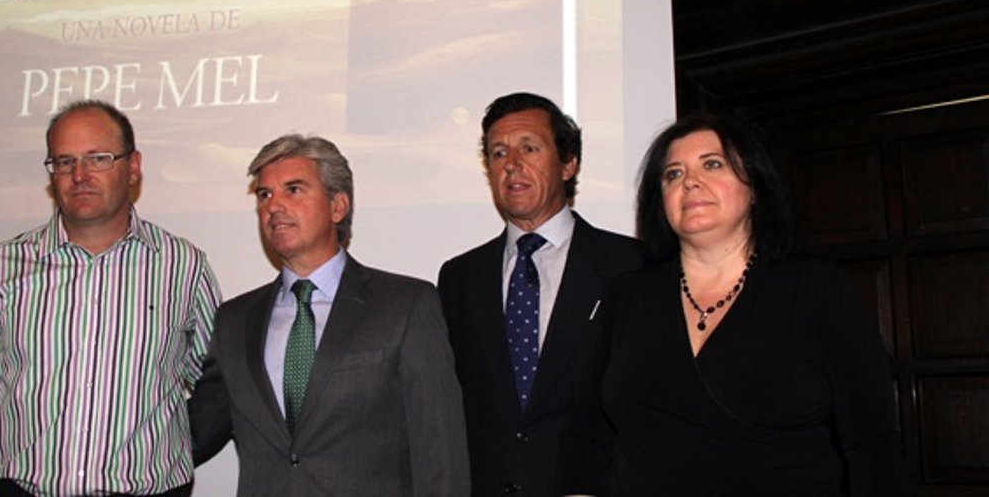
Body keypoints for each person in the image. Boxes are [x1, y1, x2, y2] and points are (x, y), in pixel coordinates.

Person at [559, 113, 903, 496]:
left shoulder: (817, 289)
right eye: (673, 174)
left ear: (754, 186)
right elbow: (586, 437)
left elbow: (872, 442)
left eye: (712, 164)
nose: (690, 181)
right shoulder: (626, 298)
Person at [0, 100, 221, 496]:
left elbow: (221, 383)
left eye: (97, 158)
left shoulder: (183, 266)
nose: (79, 175)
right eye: (64, 162)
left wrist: (173, 450)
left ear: (133, 167)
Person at [190, 134, 470, 495]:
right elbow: (195, 432)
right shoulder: (235, 321)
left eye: (293, 190)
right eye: (265, 194)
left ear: (338, 206)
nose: (274, 205)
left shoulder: (406, 305)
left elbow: (439, 451)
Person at [437, 92, 643, 495]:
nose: (511, 164)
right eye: (498, 153)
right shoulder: (460, 278)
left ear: (569, 164)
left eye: (529, 148)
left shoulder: (630, 265)